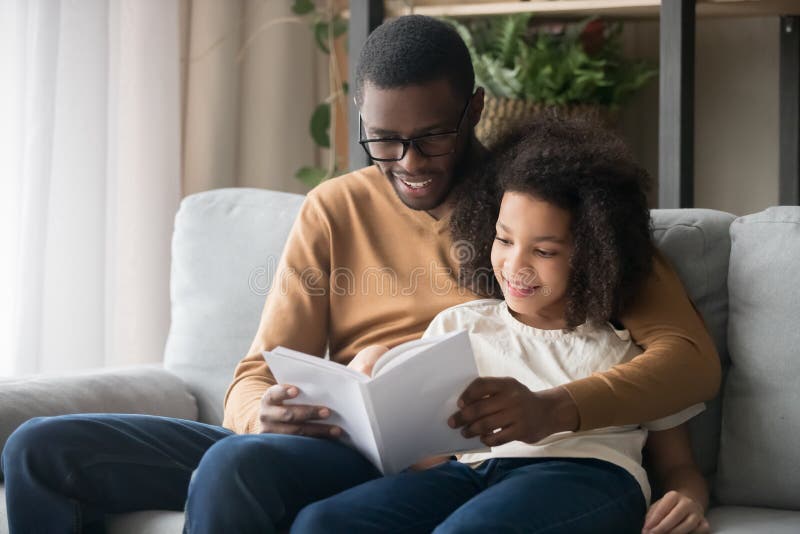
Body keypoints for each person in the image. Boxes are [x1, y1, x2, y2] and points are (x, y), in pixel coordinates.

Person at [1, 15, 718, 534]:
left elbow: (686, 364)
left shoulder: (541, 209)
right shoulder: (335, 208)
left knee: (236, 471)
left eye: (431, 136)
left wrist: (558, 412)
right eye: (385, 140)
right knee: (38, 449)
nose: (408, 162)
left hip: (438, 458)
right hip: (323, 442)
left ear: (472, 112)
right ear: (361, 119)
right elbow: (252, 376)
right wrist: (265, 412)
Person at [302, 116, 711, 534]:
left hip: (587, 475)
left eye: (545, 252)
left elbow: (679, 465)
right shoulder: (459, 327)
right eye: (504, 239)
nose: (515, 266)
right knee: (321, 521)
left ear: (595, 254)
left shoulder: (627, 349)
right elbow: (429, 457)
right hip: (472, 476)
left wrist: (689, 500)